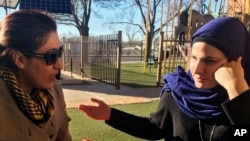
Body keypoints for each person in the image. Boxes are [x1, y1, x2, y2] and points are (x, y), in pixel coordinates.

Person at [79, 17, 250, 141]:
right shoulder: (178, 92)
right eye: (194, 58)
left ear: (238, 59)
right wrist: (110, 115)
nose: (196, 69)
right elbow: (155, 128)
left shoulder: (243, 97)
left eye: (209, 60)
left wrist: (238, 92)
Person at [0, 10, 72, 140]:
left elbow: (64, 135)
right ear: (19, 60)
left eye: (59, 53)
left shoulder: (54, 89)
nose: (60, 65)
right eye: (51, 56)